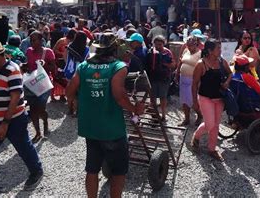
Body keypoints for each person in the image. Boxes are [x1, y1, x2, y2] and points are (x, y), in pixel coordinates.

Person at [66, 33, 144, 198]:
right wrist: (134, 109)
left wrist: (75, 105)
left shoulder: (84, 66)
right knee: (118, 172)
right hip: (112, 129)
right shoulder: (118, 67)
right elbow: (119, 96)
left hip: (90, 128)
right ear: (114, 48)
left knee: (92, 169)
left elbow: (70, 91)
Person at [0, 41, 43, 190]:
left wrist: (5, 123)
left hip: (12, 119)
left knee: (23, 146)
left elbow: (15, 97)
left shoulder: (11, 70)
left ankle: (36, 171)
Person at [191, 39, 231, 161]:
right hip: (205, 97)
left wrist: (227, 83)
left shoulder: (221, 61)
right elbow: (195, 84)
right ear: (210, 50)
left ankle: (212, 149)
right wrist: (194, 102)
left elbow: (230, 73)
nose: (220, 50)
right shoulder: (201, 64)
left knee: (216, 125)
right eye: (218, 48)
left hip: (219, 98)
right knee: (210, 124)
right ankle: (196, 136)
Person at [24, 31, 57, 142]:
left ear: (41, 40)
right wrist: (22, 66)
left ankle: (45, 122)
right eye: (31, 40)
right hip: (31, 84)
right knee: (33, 109)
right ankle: (38, 133)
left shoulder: (48, 52)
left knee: (41, 109)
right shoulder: (28, 51)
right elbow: (27, 65)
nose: (32, 42)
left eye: (34, 40)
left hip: (44, 85)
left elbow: (53, 68)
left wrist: (44, 64)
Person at [146, 35, 176, 122]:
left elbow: (173, 65)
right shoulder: (150, 52)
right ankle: (154, 116)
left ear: (164, 44)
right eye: (156, 44)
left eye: (160, 44)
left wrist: (163, 63)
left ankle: (163, 115)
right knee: (153, 97)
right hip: (153, 78)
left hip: (164, 78)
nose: (158, 46)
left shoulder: (167, 52)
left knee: (163, 97)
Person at [176, 36, 202, 126]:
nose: (189, 47)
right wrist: (177, 73)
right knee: (184, 101)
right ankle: (186, 119)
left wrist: (199, 82)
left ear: (196, 45)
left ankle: (200, 115)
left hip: (193, 80)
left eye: (191, 45)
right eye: (188, 45)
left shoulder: (200, 54)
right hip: (183, 78)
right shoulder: (186, 51)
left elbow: (202, 68)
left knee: (193, 101)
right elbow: (180, 62)